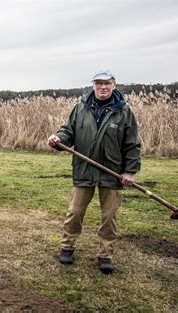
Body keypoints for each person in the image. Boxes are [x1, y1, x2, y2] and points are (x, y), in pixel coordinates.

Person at [48, 69, 141, 274]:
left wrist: (130, 172)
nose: (103, 87)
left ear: (114, 86)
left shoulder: (124, 111)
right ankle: (67, 247)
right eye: (99, 83)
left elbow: (132, 144)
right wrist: (58, 140)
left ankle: (105, 255)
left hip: (112, 171)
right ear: (93, 86)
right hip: (84, 169)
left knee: (109, 216)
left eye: (107, 83)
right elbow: (68, 132)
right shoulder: (80, 108)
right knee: (75, 211)